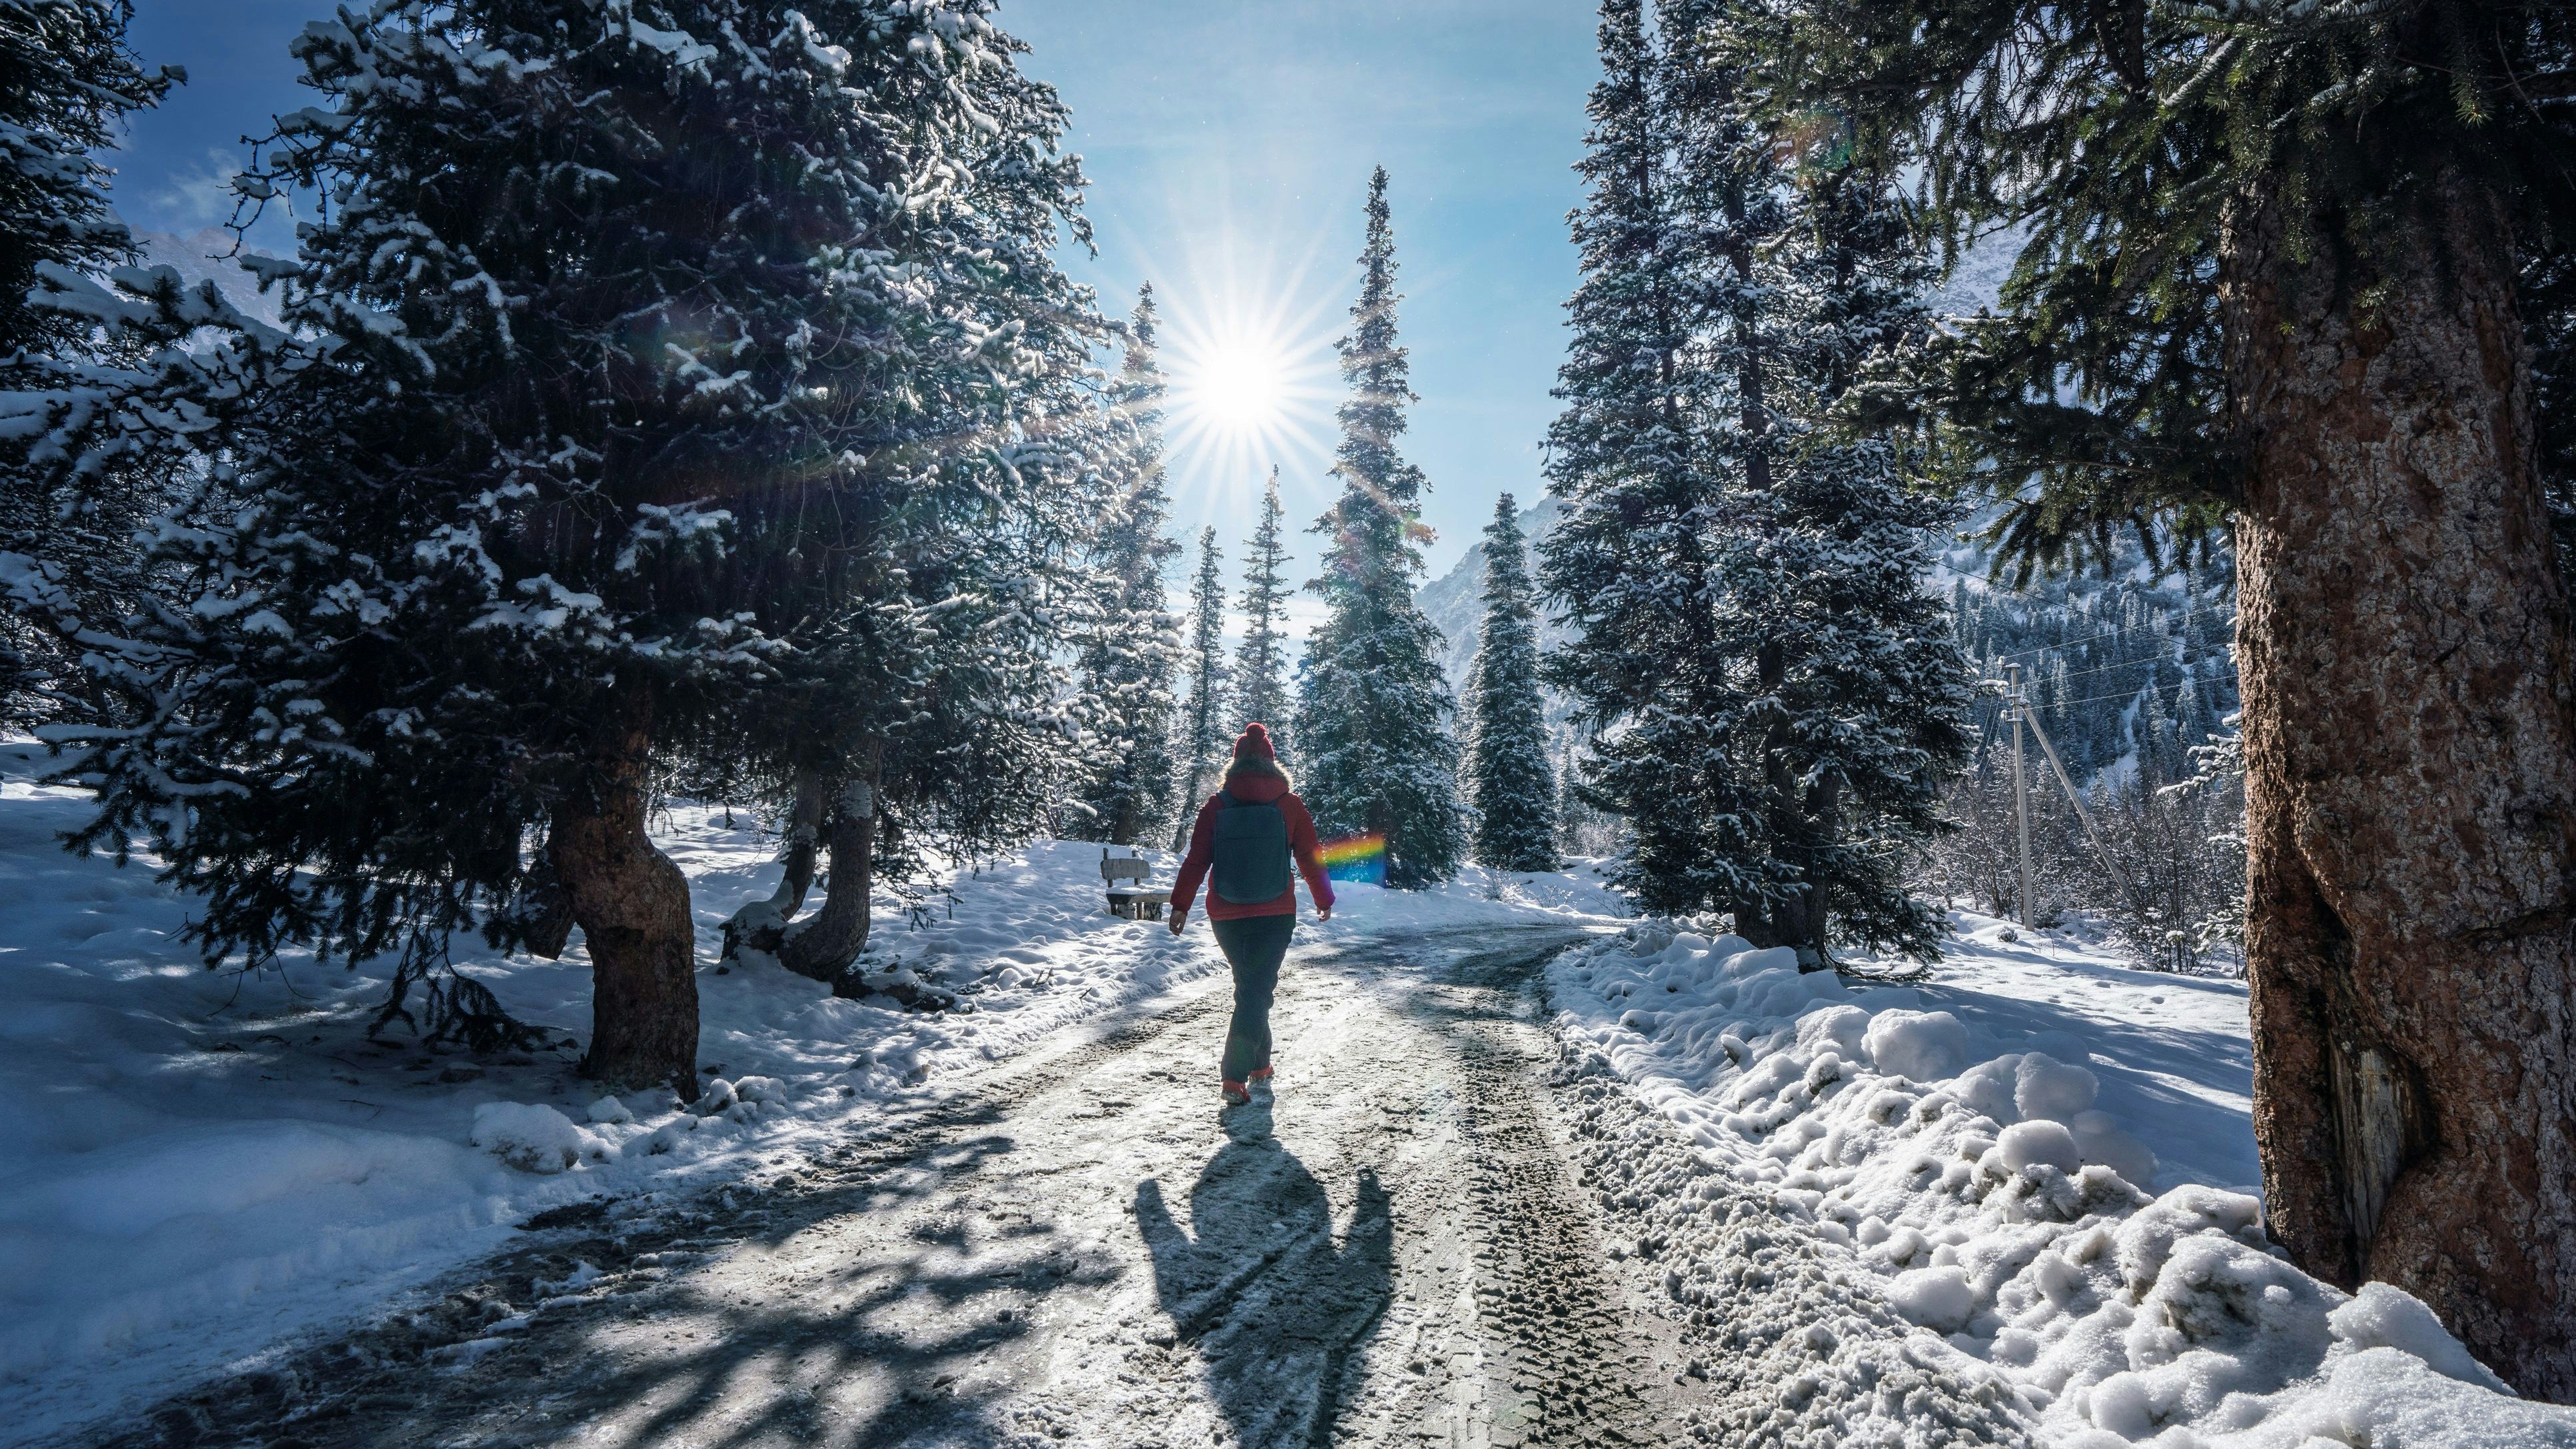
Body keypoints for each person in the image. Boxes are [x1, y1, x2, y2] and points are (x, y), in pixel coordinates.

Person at [1167, 723, 1334, 1106]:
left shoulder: (1217, 806)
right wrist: (1323, 897)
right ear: (1272, 764)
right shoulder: (1289, 805)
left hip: (1226, 915)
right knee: (1255, 992)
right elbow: (1309, 856)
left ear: (1236, 764)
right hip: (1275, 914)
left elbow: (1197, 860)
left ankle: (1260, 1067)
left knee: (1252, 988)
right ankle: (1233, 1075)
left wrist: (1180, 905)